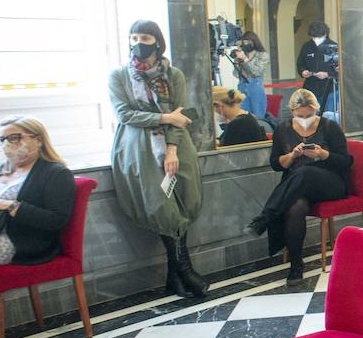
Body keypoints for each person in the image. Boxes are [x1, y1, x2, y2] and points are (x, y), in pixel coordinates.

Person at [109, 20, 207, 299]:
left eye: (145, 38)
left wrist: (172, 149)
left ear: (157, 41)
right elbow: (125, 114)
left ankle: (174, 277)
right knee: (164, 209)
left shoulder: (173, 74)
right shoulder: (119, 76)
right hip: (139, 147)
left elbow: (182, 114)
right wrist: (164, 117)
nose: (138, 43)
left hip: (176, 144)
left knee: (184, 203)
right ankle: (185, 270)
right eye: (133, 37)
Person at [247, 89, 352, 285]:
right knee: (295, 207)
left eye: (309, 115)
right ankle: (296, 265)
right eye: (300, 116)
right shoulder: (282, 129)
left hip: (331, 183)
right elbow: (276, 164)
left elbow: (345, 162)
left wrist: (322, 155)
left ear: (316, 111)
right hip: (296, 187)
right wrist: (293, 156)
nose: (305, 119)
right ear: (292, 111)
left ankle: (265, 217)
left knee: (305, 172)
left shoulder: (330, 127)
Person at [0, 117, 75, 269]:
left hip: (16, 241)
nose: (7, 144)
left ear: (38, 140)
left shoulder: (56, 173)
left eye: (15, 137)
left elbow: (56, 220)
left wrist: (5, 205)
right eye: (2, 139)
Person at [296, 21, 339, 118]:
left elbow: (341, 70)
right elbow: (300, 64)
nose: (316, 39)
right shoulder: (307, 46)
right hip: (310, 88)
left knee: (328, 117)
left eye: (318, 37)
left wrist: (327, 74)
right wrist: (303, 71)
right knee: (310, 116)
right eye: (313, 37)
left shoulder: (334, 47)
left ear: (325, 34)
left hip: (330, 89)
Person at [228, 31, 271, 118]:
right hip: (242, 86)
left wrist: (245, 59)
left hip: (255, 86)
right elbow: (236, 74)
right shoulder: (243, 54)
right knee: (242, 115)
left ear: (254, 42)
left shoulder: (263, 55)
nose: (245, 44)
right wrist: (237, 60)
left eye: (248, 42)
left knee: (258, 115)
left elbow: (256, 72)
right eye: (244, 43)